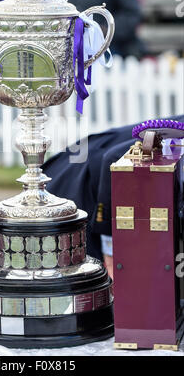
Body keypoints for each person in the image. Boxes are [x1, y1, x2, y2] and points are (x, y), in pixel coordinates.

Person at [43, 114, 184, 279]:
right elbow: (112, 157)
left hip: (108, 181)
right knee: (87, 278)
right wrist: (110, 255)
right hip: (82, 182)